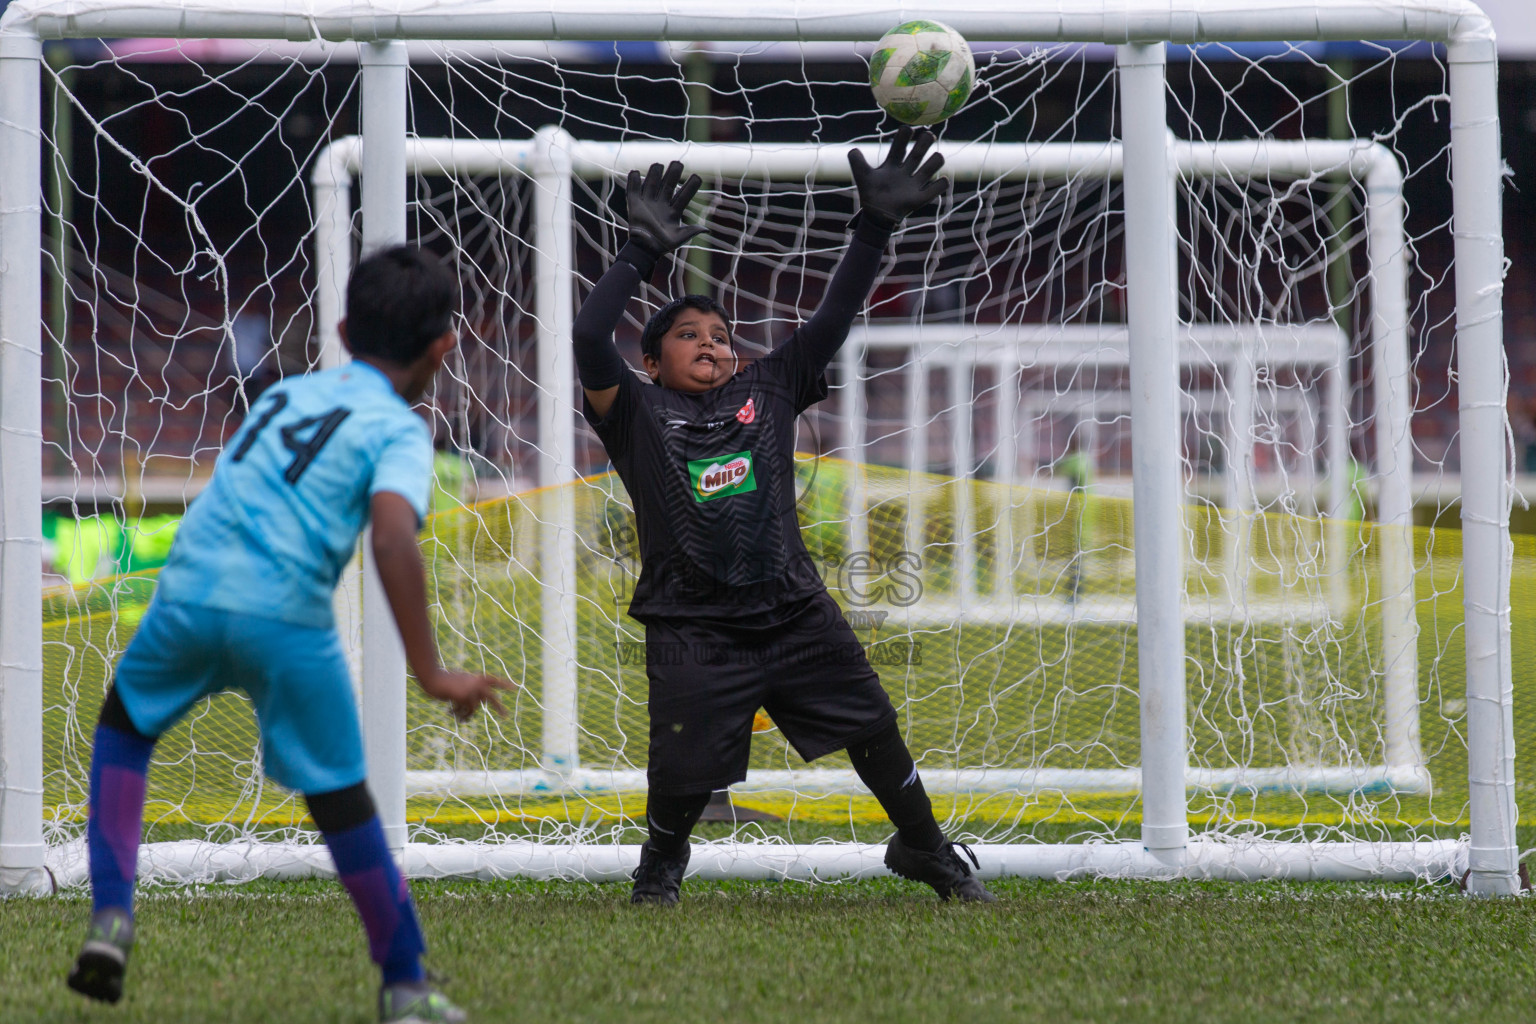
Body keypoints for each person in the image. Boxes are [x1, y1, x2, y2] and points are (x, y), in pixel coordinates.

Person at [66, 245, 511, 1023]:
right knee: (343, 803)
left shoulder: (283, 397)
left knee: (125, 730)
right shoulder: (402, 434)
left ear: (341, 328)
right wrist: (434, 672)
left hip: (189, 591)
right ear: (446, 346)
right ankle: (405, 986)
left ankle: (111, 914)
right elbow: (393, 538)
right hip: (287, 618)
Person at [574, 126, 995, 905]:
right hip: (691, 620)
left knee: (873, 725)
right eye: (688, 336)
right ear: (652, 360)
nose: (711, 344)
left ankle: (928, 850)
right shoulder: (633, 411)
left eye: (722, 337)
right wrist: (638, 252)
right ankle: (659, 870)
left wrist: (873, 227)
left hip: (793, 607)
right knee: (681, 766)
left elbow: (833, 318)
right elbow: (587, 335)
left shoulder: (768, 388)